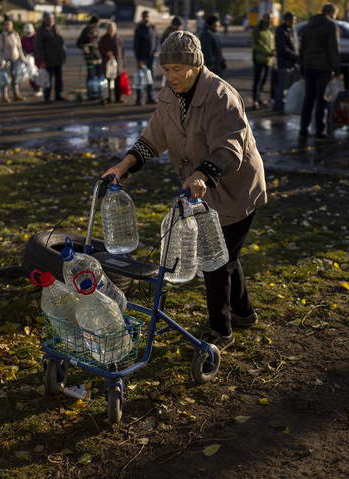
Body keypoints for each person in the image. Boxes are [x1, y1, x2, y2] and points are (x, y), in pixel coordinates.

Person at [102, 31, 267, 352]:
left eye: (178, 69)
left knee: (215, 262)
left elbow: (230, 147)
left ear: (196, 66)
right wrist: (123, 166)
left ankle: (221, 331)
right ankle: (244, 312)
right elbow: (151, 140)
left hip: (235, 188)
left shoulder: (221, 96)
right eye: (166, 70)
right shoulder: (169, 97)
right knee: (225, 254)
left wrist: (203, 174)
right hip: (201, 191)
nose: (171, 76)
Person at [298, 3, 341, 140]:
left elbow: (302, 48)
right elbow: (333, 49)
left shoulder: (309, 25)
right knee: (322, 100)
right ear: (331, 13)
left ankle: (303, 129)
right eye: (335, 15)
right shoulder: (331, 25)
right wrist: (337, 70)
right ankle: (320, 131)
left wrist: (302, 69)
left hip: (308, 66)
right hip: (323, 68)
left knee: (308, 99)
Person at [36, 12, 67, 102]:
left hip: (58, 58)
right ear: (44, 20)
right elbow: (39, 46)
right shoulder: (41, 31)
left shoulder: (55, 29)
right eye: (48, 19)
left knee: (59, 79)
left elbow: (61, 43)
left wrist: (63, 55)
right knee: (47, 79)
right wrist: (42, 59)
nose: (50, 21)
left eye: (52, 19)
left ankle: (58, 94)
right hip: (48, 59)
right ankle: (47, 96)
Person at [0, 16, 27, 103]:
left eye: (8, 24)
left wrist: (23, 59)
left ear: (12, 25)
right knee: (5, 79)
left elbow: (19, 48)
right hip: (6, 60)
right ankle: (4, 95)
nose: (7, 26)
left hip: (15, 59)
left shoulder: (15, 34)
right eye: (5, 25)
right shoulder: (2, 36)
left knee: (15, 78)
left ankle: (16, 94)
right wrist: (1, 60)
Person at [274, 11, 298, 113]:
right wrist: (296, 56)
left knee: (286, 86)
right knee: (282, 85)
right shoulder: (281, 31)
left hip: (291, 62)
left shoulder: (292, 31)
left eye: (294, 20)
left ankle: (282, 104)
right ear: (286, 20)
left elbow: (295, 45)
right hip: (284, 63)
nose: (293, 22)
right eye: (292, 20)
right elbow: (283, 49)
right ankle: (278, 106)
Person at [251, 12, 276, 109]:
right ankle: (255, 100)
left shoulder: (271, 30)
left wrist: (274, 52)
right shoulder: (258, 29)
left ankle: (259, 97)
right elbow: (257, 45)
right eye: (268, 18)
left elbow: (273, 44)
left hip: (268, 60)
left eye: (271, 18)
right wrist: (269, 52)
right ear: (263, 18)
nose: (270, 20)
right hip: (260, 60)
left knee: (264, 81)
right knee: (258, 80)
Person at [134, 10, 158, 106]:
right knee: (140, 79)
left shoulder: (153, 27)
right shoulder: (139, 29)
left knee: (150, 78)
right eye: (144, 16)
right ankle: (139, 99)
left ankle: (150, 97)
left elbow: (157, 40)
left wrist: (156, 50)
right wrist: (139, 59)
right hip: (142, 58)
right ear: (142, 17)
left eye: (147, 16)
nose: (146, 18)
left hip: (152, 57)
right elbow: (136, 45)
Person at [99, 21, 126, 103]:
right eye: (109, 28)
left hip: (118, 63)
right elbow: (100, 49)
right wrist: (106, 53)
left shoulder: (119, 38)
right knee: (107, 81)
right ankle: (108, 98)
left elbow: (122, 52)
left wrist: (123, 64)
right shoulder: (103, 38)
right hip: (107, 64)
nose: (111, 30)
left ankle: (118, 97)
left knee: (117, 81)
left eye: (112, 28)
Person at [77, 14, 102, 84]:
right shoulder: (86, 30)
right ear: (94, 23)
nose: (98, 25)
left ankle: (97, 91)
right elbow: (79, 42)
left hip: (98, 57)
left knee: (99, 75)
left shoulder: (96, 30)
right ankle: (91, 90)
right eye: (98, 23)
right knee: (91, 75)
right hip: (90, 57)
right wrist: (84, 47)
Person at [21, 22, 42, 97]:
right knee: (30, 72)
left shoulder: (36, 36)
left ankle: (39, 87)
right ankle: (34, 87)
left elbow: (40, 46)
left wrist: (36, 53)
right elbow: (22, 47)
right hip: (29, 58)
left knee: (38, 72)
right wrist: (24, 54)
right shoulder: (23, 38)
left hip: (37, 57)